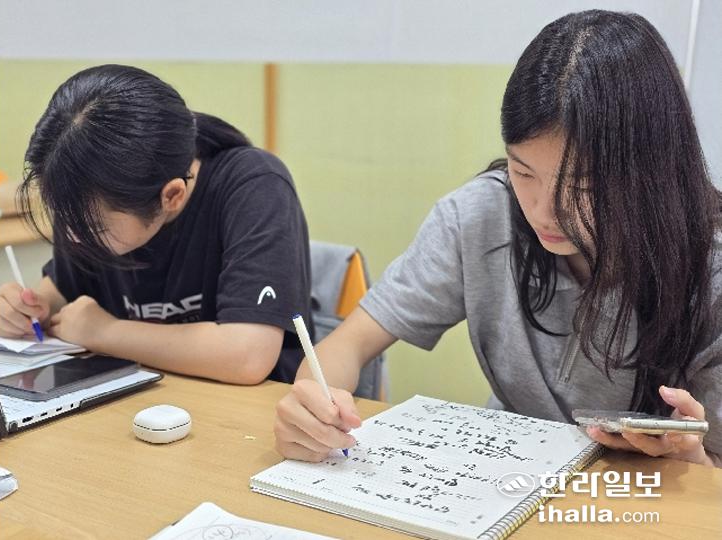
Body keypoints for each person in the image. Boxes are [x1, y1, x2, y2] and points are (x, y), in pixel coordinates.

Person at [273, 10, 722, 467]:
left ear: (650, 169)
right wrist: (313, 406)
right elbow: (348, 345)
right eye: (523, 172)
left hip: (641, 493)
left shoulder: (712, 267)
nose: (543, 212)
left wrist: (690, 461)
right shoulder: (482, 214)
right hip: (506, 479)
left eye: (582, 187)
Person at [0, 64, 312, 385]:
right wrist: (26, 310)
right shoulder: (86, 199)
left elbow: (247, 355)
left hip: (248, 406)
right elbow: (61, 292)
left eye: (94, 228)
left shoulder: (254, 185)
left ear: (171, 196)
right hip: (140, 396)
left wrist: (104, 333)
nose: (74, 238)